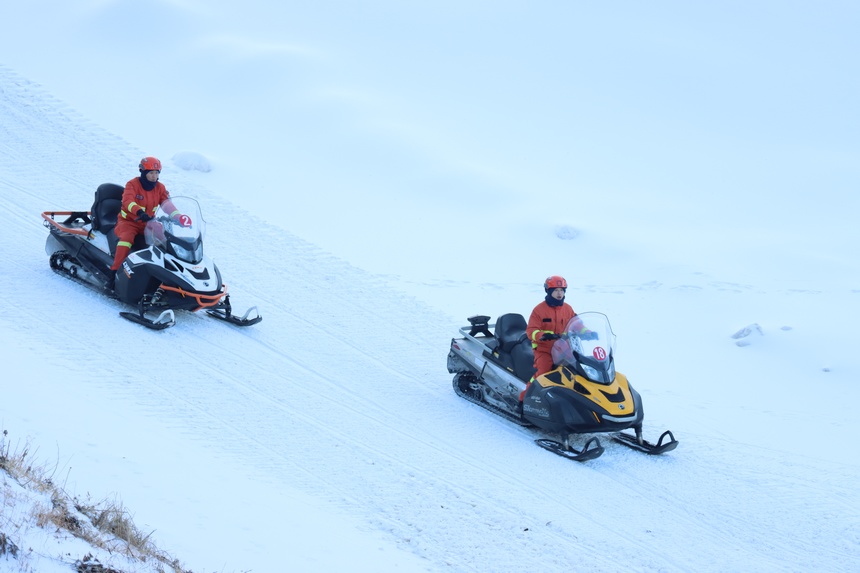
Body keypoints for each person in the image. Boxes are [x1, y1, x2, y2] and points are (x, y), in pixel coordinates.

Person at [107, 157, 179, 286]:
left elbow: (166, 204)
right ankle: (114, 273)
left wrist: (178, 217)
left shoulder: (160, 188)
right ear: (143, 172)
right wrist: (139, 212)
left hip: (148, 223)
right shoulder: (132, 184)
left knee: (165, 239)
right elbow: (128, 201)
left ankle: (173, 274)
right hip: (128, 221)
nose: (154, 176)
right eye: (151, 173)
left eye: (157, 173)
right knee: (126, 239)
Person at [525, 275, 578, 380]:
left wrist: (588, 332)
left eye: (562, 290)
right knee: (543, 373)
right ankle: (527, 395)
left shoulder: (568, 309)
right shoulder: (539, 310)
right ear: (548, 291)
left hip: (564, 349)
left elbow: (577, 323)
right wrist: (543, 335)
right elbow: (531, 330)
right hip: (544, 350)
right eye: (556, 290)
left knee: (577, 371)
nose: (559, 293)